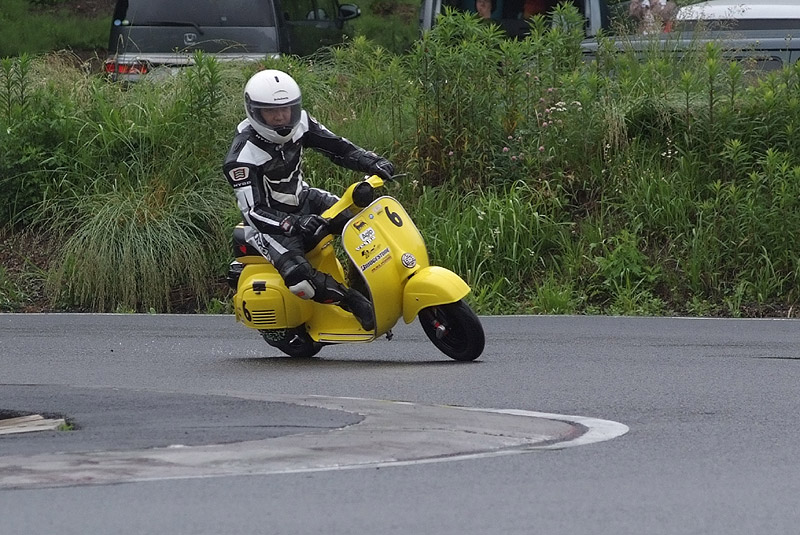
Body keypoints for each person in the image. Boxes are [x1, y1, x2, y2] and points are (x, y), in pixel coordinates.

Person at [223, 69, 395, 332]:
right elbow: (253, 211)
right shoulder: (242, 157)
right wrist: (292, 224)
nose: (281, 116)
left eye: (286, 109)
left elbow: (337, 147)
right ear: (254, 112)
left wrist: (371, 161)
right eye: (271, 111)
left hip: (304, 198)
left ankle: (367, 283)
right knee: (300, 280)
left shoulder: (301, 122)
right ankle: (352, 301)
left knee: (364, 225)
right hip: (271, 226)